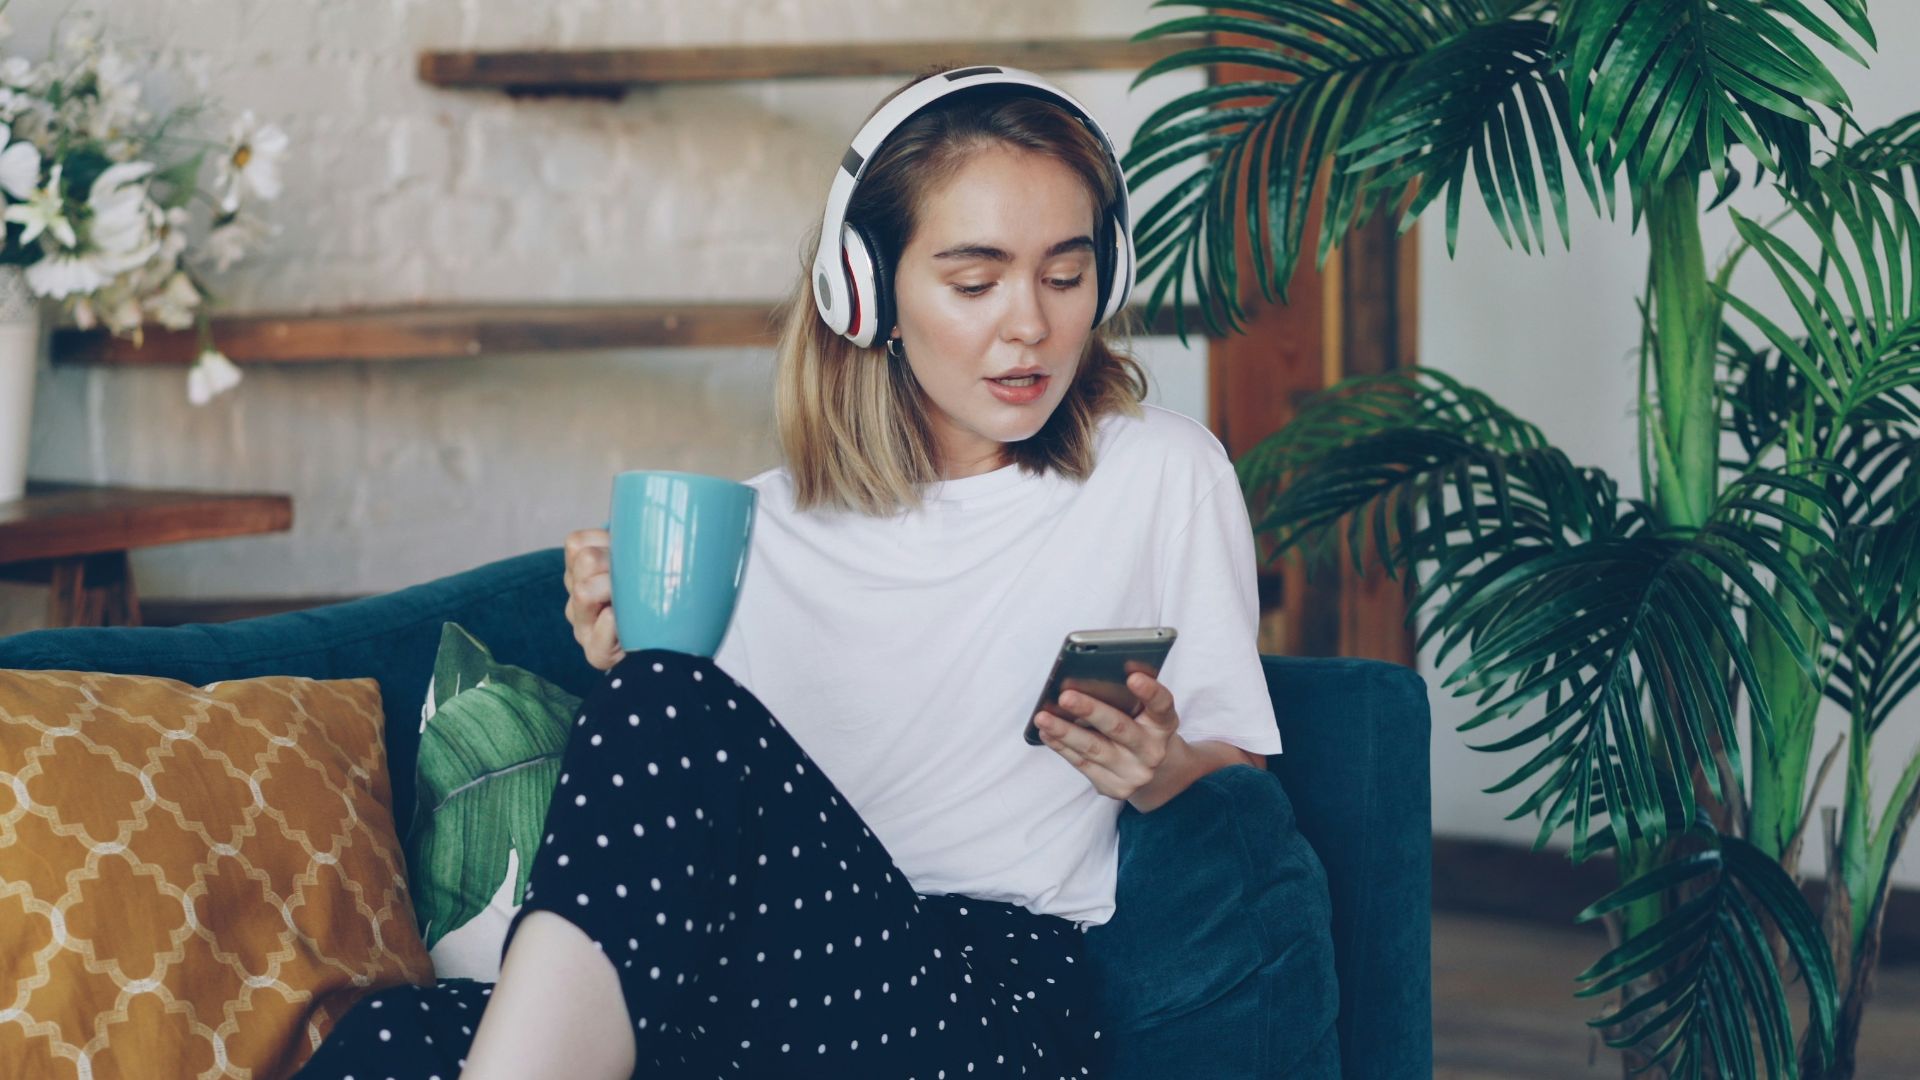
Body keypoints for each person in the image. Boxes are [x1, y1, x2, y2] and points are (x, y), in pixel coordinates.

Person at [297, 66, 1282, 1080]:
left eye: (1065, 276)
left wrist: (1162, 768)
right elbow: (691, 840)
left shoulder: (1159, 471)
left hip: (978, 1003)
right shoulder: (756, 528)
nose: (1028, 324)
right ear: (868, 294)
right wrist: (625, 668)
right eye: (976, 283)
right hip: (751, 995)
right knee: (391, 1041)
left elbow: (1239, 770)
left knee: (664, 701)